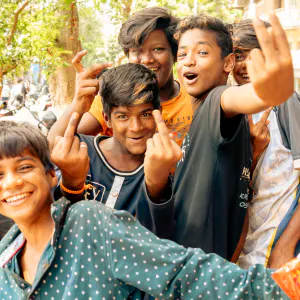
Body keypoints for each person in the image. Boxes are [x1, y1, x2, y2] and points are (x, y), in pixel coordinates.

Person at [0, 119, 289, 299]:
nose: (12, 183)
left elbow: (185, 275)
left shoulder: (88, 223)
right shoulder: (5, 259)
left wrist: (286, 285)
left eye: (24, 168)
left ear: (52, 174)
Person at [136, 13, 295, 262]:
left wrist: (270, 92)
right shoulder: (201, 115)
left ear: (228, 63)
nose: (189, 61)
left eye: (202, 53)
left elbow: (236, 99)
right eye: (182, 55)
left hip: (198, 273)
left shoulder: (217, 100)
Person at [48, 64, 176, 217]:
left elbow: (160, 232)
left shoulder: (159, 168)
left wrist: (157, 184)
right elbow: (49, 151)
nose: (135, 127)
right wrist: (77, 105)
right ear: (107, 118)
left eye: (145, 114)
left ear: (158, 113)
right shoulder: (80, 151)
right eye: (123, 116)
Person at [231, 19, 300, 269]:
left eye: (256, 54)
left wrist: (285, 246)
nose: (248, 65)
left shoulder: (285, 101)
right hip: (252, 243)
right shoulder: (234, 110)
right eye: (239, 55)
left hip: (282, 243)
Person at [76, 7, 193, 147]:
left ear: (175, 54)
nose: (146, 59)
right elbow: (62, 143)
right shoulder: (114, 96)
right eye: (136, 51)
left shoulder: (194, 96)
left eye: (157, 49)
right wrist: (78, 103)